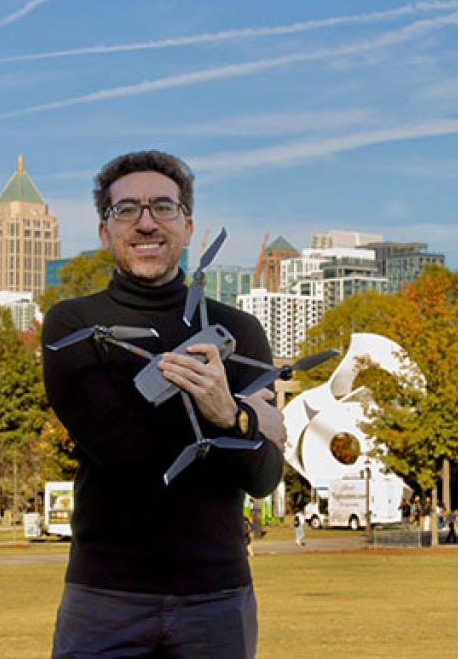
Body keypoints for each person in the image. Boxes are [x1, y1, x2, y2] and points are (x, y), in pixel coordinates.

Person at [43, 150, 285, 659]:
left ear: (188, 225)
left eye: (163, 207)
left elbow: (263, 478)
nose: (146, 221)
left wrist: (229, 415)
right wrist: (238, 416)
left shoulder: (239, 331)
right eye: (126, 209)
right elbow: (121, 449)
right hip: (104, 599)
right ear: (104, 231)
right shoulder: (71, 326)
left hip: (217, 598)